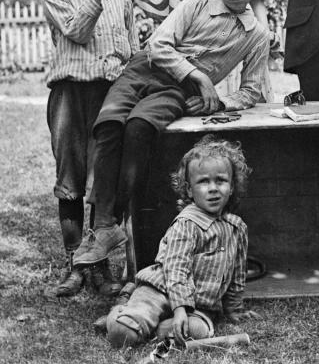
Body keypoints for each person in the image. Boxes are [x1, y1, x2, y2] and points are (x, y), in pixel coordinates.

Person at [71, 0, 270, 272]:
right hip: (143, 68)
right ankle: (104, 225)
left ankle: (115, 218)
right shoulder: (194, 5)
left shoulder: (256, 35)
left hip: (177, 89)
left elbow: (251, 90)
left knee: (139, 128)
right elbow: (159, 45)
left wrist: (217, 100)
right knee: (108, 123)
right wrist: (200, 76)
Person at [40, 0, 140, 297]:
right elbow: (78, 33)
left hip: (109, 97)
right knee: (71, 180)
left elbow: (129, 50)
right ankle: (74, 267)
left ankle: (97, 267)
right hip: (69, 96)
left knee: (103, 181)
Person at [102, 136, 256, 348]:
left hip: (198, 305)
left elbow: (237, 274)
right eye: (203, 182)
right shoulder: (187, 223)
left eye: (220, 180)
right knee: (123, 334)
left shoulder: (237, 228)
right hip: (160, 291)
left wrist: (234, 309)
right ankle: (121, 314)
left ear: (232, 187)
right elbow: (176, 270)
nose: (213, 188)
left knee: (197, 331)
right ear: (190, 190)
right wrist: (179, 309)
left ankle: (152, 327)